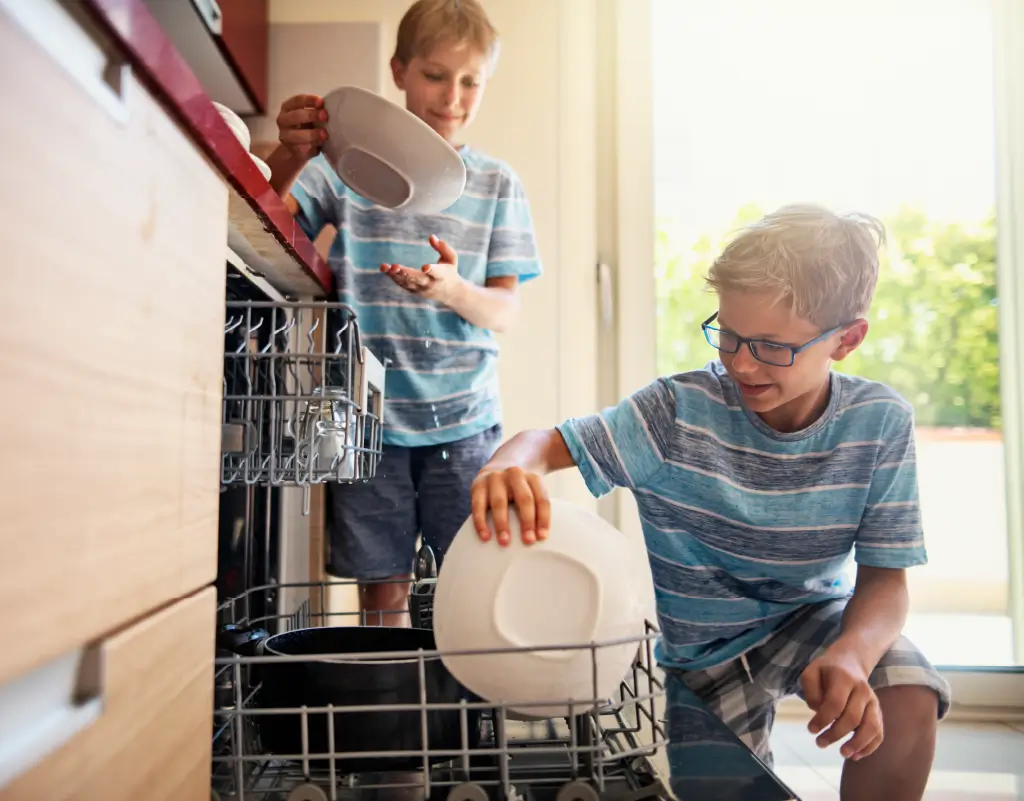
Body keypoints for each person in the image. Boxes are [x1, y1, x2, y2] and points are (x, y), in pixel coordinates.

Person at [469, 205, 951, 801]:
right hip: (703, 660)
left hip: (812, 622)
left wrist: (852, 655)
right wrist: (507, 464)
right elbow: (546, 444)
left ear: (847, 340)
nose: (742, 363)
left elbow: (885, 580)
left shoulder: (879, 423)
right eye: (728, 334)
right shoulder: (675, 413)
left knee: (908, 688)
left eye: (772, 347)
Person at [265, 0, 542, 625]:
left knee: (469, 592)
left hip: (466, 423)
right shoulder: (346, 170)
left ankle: (460, 722)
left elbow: (505, 310)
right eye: (436, 75)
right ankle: (393, 719)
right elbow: (269, 215)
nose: (452, 96)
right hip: (369, 425)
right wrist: (292, 152)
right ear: (399, 71)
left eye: (471, 81)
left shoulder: (498, 184)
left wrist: (452, 291)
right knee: (382, 592)